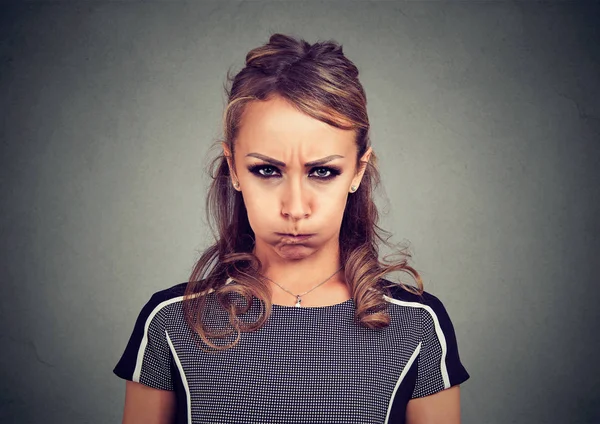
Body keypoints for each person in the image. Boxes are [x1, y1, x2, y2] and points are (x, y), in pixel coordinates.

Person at [113, 33, 470, 424]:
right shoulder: (171, 321)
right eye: (267, 170)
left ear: (357, 171)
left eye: (323, 171)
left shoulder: (415, 324)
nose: (295, 208)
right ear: (233, 168)